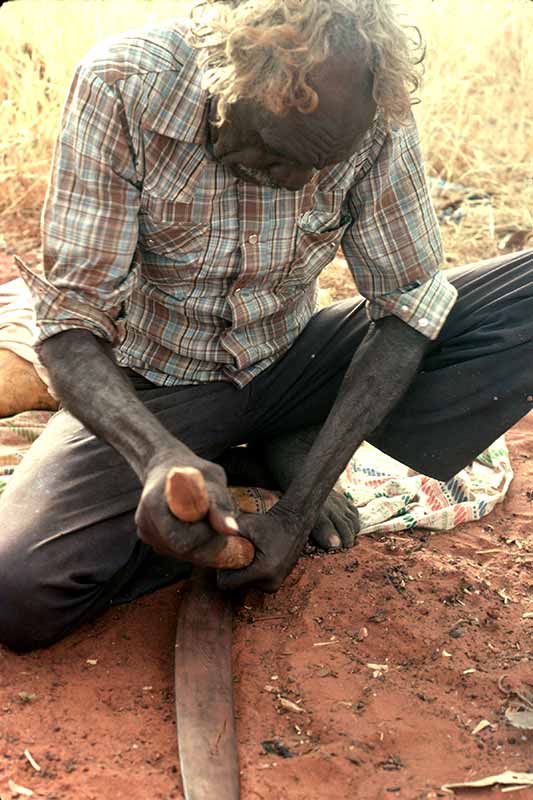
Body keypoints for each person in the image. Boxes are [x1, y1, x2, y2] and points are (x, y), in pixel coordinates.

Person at [0, 0, 532, 652]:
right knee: (18, 591)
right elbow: (69, 326)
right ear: (232, 81)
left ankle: (289, 446)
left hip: (295, 359)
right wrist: (155, 455)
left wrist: (297, 511)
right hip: (156, 385)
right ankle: (235, 464)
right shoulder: (123, 84)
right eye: (281, 154)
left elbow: (406, 310)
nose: (301, 182)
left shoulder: (373, 116)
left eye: (323, 165)